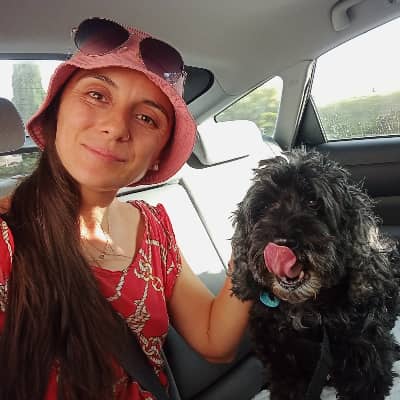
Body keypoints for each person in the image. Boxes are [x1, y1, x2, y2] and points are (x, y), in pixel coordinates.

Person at [0, 17, 252, 400]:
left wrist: (254, 251)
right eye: (97, 95)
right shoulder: (6, 239)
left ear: (157, 156)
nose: (117, 127)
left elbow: (214, 342)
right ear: (56, 112)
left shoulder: (154, 229)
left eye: (147, 118)